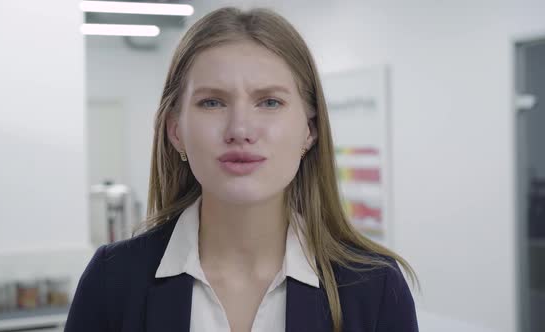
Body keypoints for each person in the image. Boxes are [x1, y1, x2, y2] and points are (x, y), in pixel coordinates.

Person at [64, 6, 420, 332]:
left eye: (269, 102)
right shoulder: (112, 281)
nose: (240, 130)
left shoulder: (375, 288)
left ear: (309, 130)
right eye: (212, 102)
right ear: (176, 131)